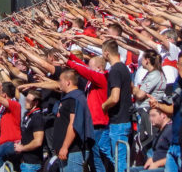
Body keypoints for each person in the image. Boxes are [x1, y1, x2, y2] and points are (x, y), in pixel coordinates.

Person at [66, 54, 110, 172]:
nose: (88, 69)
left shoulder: (102, 78)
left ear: (99, 68)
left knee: (97, 156)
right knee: (92, 156)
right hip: (92, 124)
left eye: (91, 67)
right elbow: (84, 67)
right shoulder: (94, 79)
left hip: (99, 124)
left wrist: (68, 62)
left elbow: (86, 71)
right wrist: (69, 56)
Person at [53, 69, 94, 172]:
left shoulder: (75, 98)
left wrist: (65, 147)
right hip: (65, 151)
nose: (59, 83)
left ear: (68, 82)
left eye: (60, 80)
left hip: (73, 151)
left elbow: (74, 124)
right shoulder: (68, 98)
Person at [101, 39, 133, 172]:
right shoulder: (124, 68)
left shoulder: (115, 70)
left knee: (120, 160)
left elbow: (114, 98)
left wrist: (104, 105)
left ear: (106, 53)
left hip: (120, 122)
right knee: (103, 144)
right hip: (116, 121)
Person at [0, 82, 22, 172]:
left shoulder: (15, 105)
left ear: (4, 94)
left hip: (12, 143)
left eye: (0, 91)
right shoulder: (3, 107)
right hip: (3, 144)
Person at [14, 90, 45, 172]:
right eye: (25, 99)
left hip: (32, 163)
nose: (25, 102)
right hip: (25, 161)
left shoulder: (37, 117)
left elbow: (38, 141)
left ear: (36, 102)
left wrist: (22, 148)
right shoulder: (27, 115)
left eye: (28, 101)